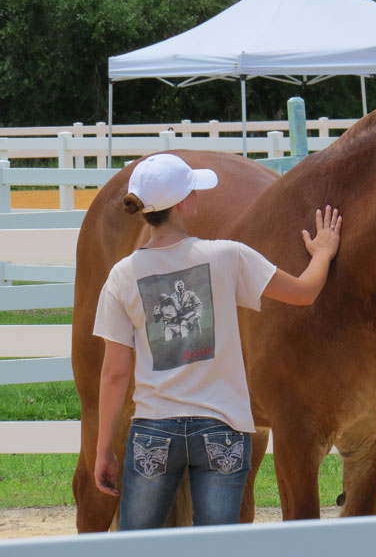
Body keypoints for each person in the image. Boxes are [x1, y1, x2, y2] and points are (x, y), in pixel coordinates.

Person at [92, 152, 342, 530]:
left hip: (154, 431)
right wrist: (322, 253)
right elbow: (306, 292)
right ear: (183, 204)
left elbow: (114, 373)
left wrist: (104, 449)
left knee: (135, 547)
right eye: (193, 191)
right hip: (221, 429)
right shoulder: (228, 257)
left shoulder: (122, 276)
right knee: (218, 548)